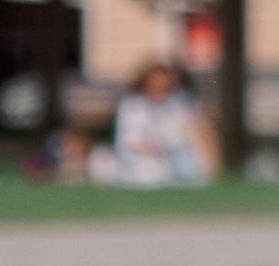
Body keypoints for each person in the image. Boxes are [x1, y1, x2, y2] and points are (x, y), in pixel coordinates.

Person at [89, 57, 217, 187]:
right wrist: (153, 147)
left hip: (166, 160)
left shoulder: (174, 106)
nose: (160, 88)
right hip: (136, 162)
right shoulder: (132, 106)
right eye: (155, 83)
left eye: (164, 84)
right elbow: (129, 140)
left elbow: (180, 136)